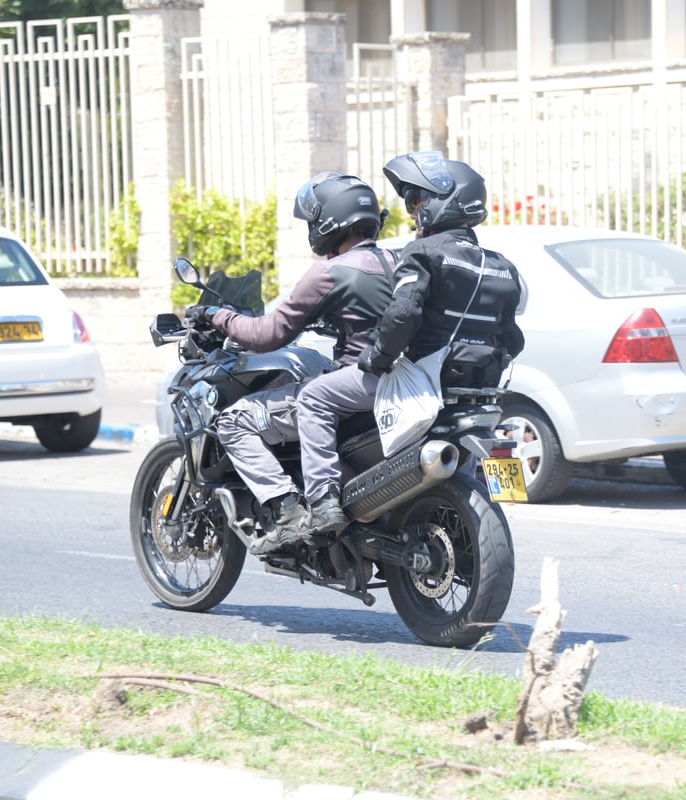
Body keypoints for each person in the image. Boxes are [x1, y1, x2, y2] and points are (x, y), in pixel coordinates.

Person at [186, 171, 395, 555]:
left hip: (358, 385)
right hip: (400, 385)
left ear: (329, 222)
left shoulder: (330, 273)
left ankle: (289, 511)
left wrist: (218, 316)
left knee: (234, 421)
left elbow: (268, 334)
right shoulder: (396, 261)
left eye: (314, 220)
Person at [356, 149, 525, 431]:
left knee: (316, 395)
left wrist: (377, 357)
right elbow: (512, 340)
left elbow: (403, 314)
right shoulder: (503, 265)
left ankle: (322, 478)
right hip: (479, 390)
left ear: (444, 201)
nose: (411, 212)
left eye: (414, 200)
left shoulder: (422, 252)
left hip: (425, 383)